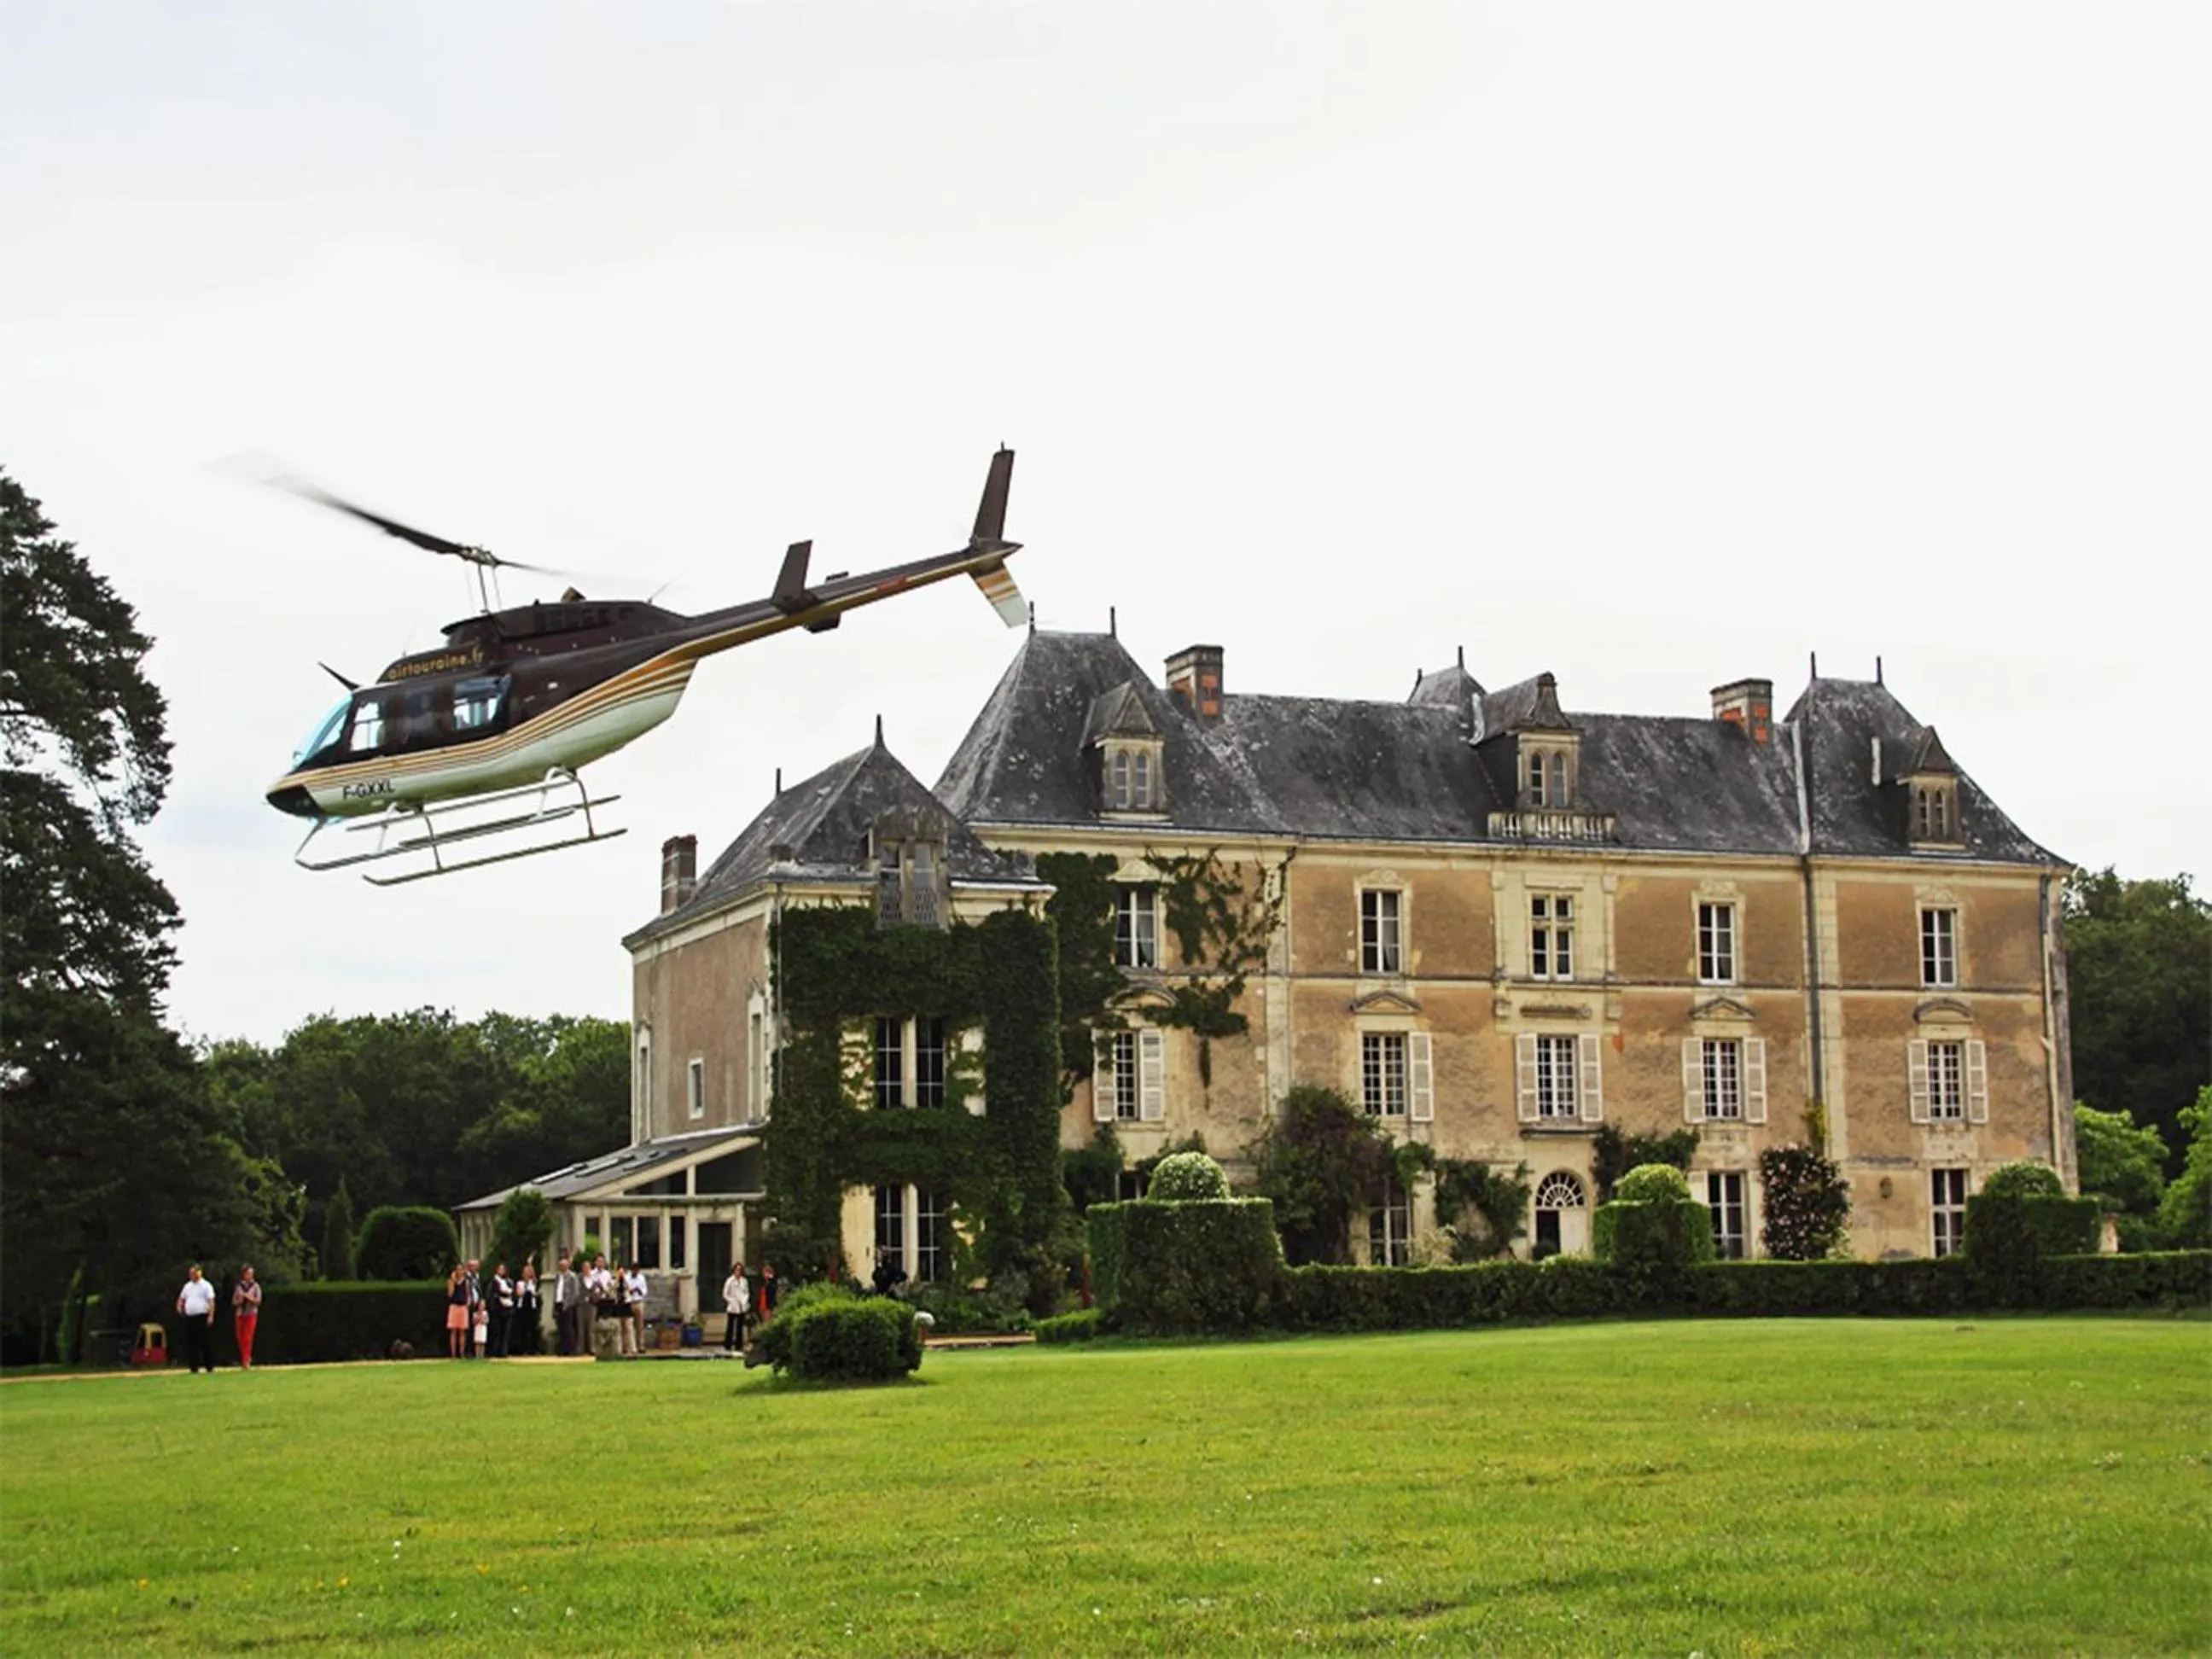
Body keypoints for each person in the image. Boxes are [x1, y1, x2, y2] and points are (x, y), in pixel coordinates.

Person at [176, 1266, 218, 1372]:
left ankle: (209, 1366)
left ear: (199, 1273)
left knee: (205, 1342)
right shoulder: (187, 1286)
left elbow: (211, 1301)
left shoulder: (206, 1285)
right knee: (191, 1342)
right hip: (190, 1317)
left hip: (202, 1316)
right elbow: (182, 1298)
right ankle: (194, 1367)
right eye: (190, 1273)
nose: (192, 1275)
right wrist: (179, 1306)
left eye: (194, 1273)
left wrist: (211, 1315)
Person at [230, 1265, 263, 1370]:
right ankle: (244, 1357)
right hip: (240, 1313)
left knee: (247, 1337)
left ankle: (246, 1361)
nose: (250, 1275)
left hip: (251, 1313)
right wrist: (240, 1301)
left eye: (251, 1273)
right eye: (248, 1273)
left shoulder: (256, 1286)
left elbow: (258, 1301)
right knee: (240, 1337)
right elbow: (234, 1301)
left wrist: (250, 1298)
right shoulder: (239, 1286)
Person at [552, 1254, 580, 1356]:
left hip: (568, 1304)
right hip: (558, 1303)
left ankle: (571, 1349)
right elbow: (556, 1291)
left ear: (568, 1266)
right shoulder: (558, 1276)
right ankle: (562, 1349)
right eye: (561, 1265)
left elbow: (576, 1292)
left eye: (564, 1265)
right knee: (561, 1327)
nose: (562, 1267)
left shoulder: (572, 1276)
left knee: (569, 1328)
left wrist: (569, 1303)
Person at [721, 1262, 750, 1351]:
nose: (738, 1272)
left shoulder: (744, 1281)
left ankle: (738, 1345)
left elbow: (746, 1292)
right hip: (733, 1306)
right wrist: (732, 1301)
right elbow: (725, 1294)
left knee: (740, 1327)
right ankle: (728, 1345)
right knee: (730, 1326)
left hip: (741, 1306)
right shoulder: (730, 1280)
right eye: (737, 1270)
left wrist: (744, 1301)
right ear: (734, 1270)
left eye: (740, 1270)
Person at [445, 1265, 471, 1359]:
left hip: (463, 1307)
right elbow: (450, 1294)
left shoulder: (466, 1282)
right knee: (453, 1331)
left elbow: (468, 1294)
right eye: (458, 1270)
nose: (460, 1271)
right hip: (454, 1306)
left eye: (461, 1270)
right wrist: (454, 1281)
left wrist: (468, 1302)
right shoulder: (451, 1281)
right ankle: (453, 1354)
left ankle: (462, 1353)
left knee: (462, 1331)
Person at [488, 1261, 515, 1358]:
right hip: (498, 1309)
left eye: (503, 1269)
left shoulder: (508, 1281)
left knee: (506, 1331)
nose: (501, 1271)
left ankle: (504, 1351)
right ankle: (495, 1351)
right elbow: (494, 1294)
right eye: (500, 1269)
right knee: (497, 1331)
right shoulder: (494, 1281)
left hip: (508, 1308)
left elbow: (511, 1292)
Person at [515, 1262, 540, 1355]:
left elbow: (536, 1293)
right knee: (523, 1328)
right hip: (522, 1307)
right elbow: (519, 1294)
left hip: (531, 1307)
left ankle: (533, 1348)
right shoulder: (520, 1283)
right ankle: (523, 1348)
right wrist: (524, 1290)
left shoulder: (533, 1283)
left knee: (532, 1328)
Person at [624, 1261, 649, 1355]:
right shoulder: (627, 1277)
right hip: (630, 1303)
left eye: (637, 1270)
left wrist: (639, 1290)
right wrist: (631, 1290)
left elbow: (644, 1290)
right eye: (634, 1269)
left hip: (639, 1302)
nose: (635, 1271)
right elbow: (626, 1289)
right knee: (628, 1325)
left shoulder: (641, 1278)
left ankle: (641, 1345)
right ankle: (628, 1346)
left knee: (640, 1325)